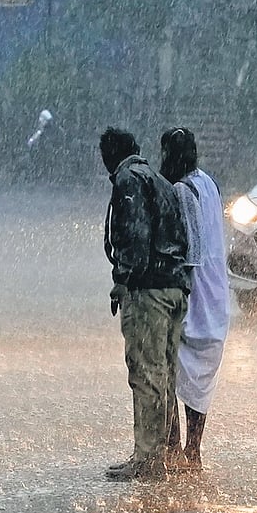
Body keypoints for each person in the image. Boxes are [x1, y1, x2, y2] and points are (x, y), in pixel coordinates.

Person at [100, 127, 191, 482]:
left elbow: (136, 238)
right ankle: (164, 453)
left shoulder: (128, 181)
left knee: (145, 374)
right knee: (165, 374)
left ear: (108, 156)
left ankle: (148, 459)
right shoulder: (160, 180)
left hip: (148, 293)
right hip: (174, 289)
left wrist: (122, 281)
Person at [158, 126, 230, 470]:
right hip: (216, 292)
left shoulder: (181, 189)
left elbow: (192, 250)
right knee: (201, 378)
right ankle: (194, 450)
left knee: (170, 369)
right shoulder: (208, 183)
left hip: (195, 292)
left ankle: (175, 447)